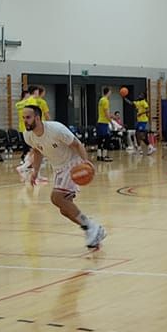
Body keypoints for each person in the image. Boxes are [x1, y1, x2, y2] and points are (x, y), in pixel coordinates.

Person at [21, 104, 105, 250]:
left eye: (28, 117)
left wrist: (85, 163)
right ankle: (91, 227)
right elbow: (37, 151)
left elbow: (77, 144)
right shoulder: (28, 135)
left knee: (57, 198)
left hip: (73, 164)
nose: (25, 121)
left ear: (37, 118)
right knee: (64, 209)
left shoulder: (56, 129)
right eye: (23, 118)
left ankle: (91, 227)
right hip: (58, 169)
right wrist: (35, 171)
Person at [95, 87, 113, 162]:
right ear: (108, 92)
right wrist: (111, 122)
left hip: (99, 122)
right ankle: (105, 156)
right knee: (107, 138)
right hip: (104, 123)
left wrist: (112, 116)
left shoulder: (101, 100)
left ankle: (99, 155)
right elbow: (106, 113)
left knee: (100, 139)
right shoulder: (106, 101)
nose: (111, 93)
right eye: (110, 92)